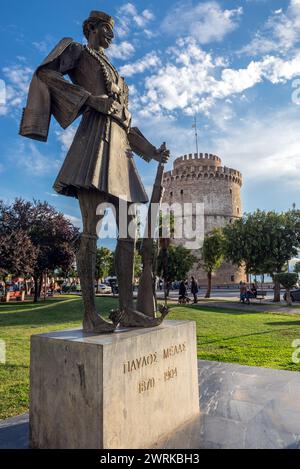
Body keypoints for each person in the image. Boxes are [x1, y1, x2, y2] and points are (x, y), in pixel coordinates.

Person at [20, 11, 170, 333]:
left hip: (122, 154)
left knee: (129, 229)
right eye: (106, 28)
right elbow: (45, 74)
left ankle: (127, 310)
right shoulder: (77, 51)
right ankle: (90, 315)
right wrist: (89, 100)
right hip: (93, 147)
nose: (111, 35)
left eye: (112, 30)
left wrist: (153, 152)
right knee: (90, 230)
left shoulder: (119, 75)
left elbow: (127, 124)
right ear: (91, 29)